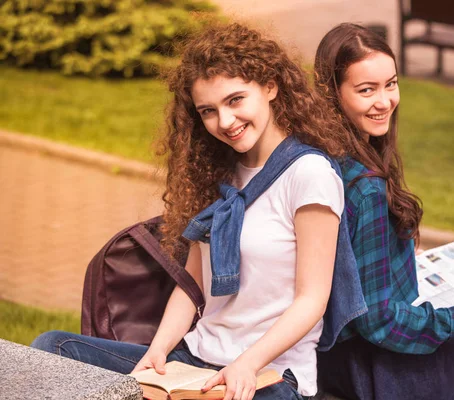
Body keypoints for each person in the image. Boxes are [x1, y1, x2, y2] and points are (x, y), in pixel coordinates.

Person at [31, 22, 367, 400]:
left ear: (270, 87)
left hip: (268, 375)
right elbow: (191, 287)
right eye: (208, 110)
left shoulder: (309, 174)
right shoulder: (218, 174)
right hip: (192, 362)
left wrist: (246, 364)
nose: (224, 122)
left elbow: (312, 299)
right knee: (54, 349)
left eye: (235, 100)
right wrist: (157, 353)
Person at [313, 23, 454, 400]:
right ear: (333, 94)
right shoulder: (364, 186)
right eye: (366, 90)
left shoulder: (323, 155)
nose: (385, 100)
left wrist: (403, 254)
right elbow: (377, 319)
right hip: (371, 363)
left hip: (334, 350)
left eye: (390, 84)